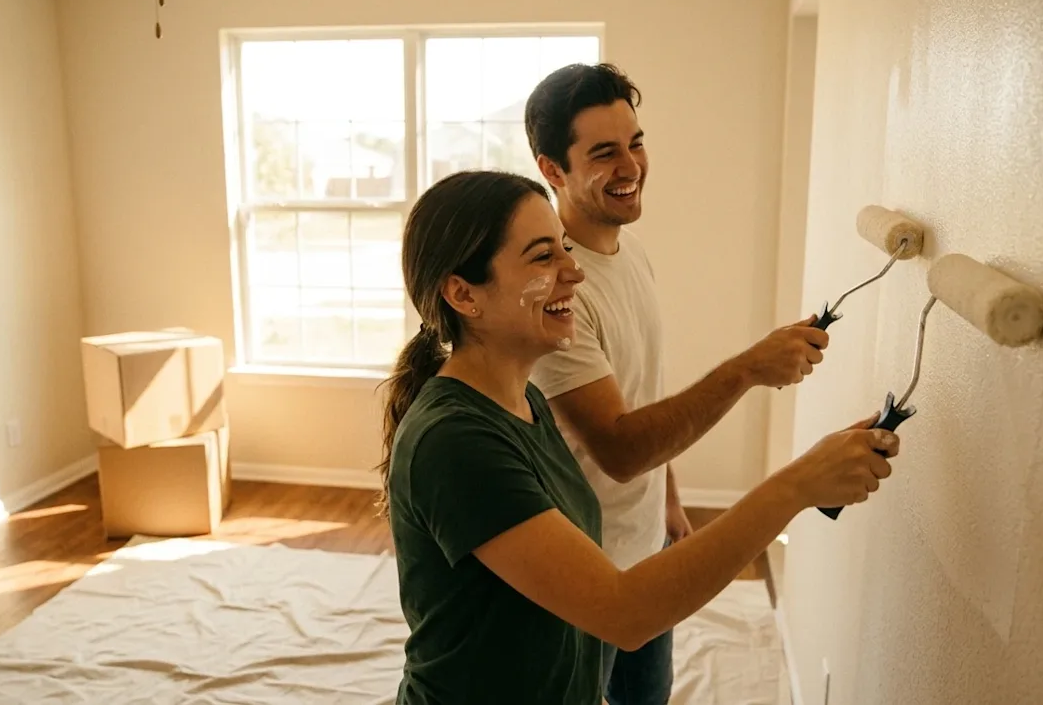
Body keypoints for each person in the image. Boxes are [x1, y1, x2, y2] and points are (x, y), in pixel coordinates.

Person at [378, 169, 899, 705]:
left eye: (564, 248)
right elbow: (624, 613)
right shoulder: (454, 443)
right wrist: (796, 486)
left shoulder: (525, 402)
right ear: (464, 294)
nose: (574, 272)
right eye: (542, 256)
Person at [522, 63, 830, 703]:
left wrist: (667, 500)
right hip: (588, 574)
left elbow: (641, 393)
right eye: (604, 153)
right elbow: (620, 445)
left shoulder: (630, 252)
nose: (631, 165)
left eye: (635, 142)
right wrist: (747, 369)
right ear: (553, 170)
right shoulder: (557, 293)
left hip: (647, 550)